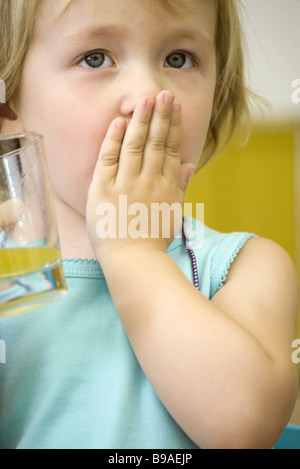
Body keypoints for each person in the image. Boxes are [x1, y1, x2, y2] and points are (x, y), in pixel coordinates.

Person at [0, 0, 299, 450]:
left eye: (178, 59)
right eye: (95, 58)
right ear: (9, 105)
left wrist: (133, 252)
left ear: (216, 94)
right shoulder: (9, 272)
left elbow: (245, 428)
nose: (146, 94)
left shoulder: (243, 267)